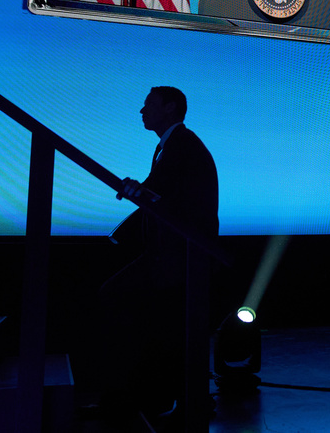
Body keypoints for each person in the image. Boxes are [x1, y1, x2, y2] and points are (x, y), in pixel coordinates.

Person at [95, 86, 219, 419]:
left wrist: (142, 192)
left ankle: (137, 393)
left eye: (148, 104)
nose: (141, 110)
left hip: (178, 256)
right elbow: (162, 192)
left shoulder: (181, 146)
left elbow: (170, 197)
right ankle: (154, 393)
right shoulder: (171, 147)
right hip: (172, 254)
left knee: (122, 302)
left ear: (171, 108)